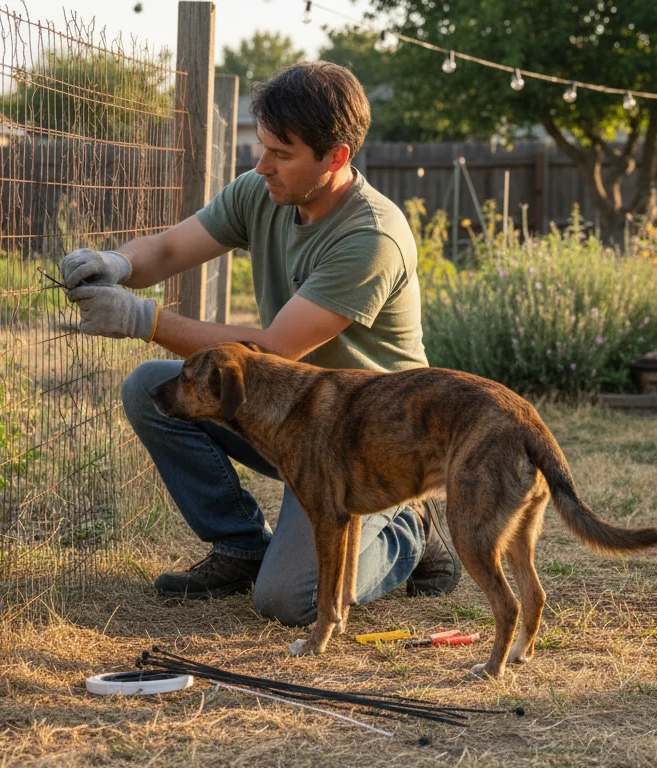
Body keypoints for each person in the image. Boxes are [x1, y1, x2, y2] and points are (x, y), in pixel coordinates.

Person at [58, 61, 457, 627]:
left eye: (282, 153)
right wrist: (116, 262)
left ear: (337, 157)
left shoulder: (371, 237)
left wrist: (139, 318)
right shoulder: (262, 192)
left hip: (369, 443)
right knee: (152, 389)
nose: (261, 164)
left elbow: (271, 349)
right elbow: (171, 250)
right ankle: (241, 545)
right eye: (262, 146)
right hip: (295, 417)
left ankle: (408, 530)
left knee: (288, 601)